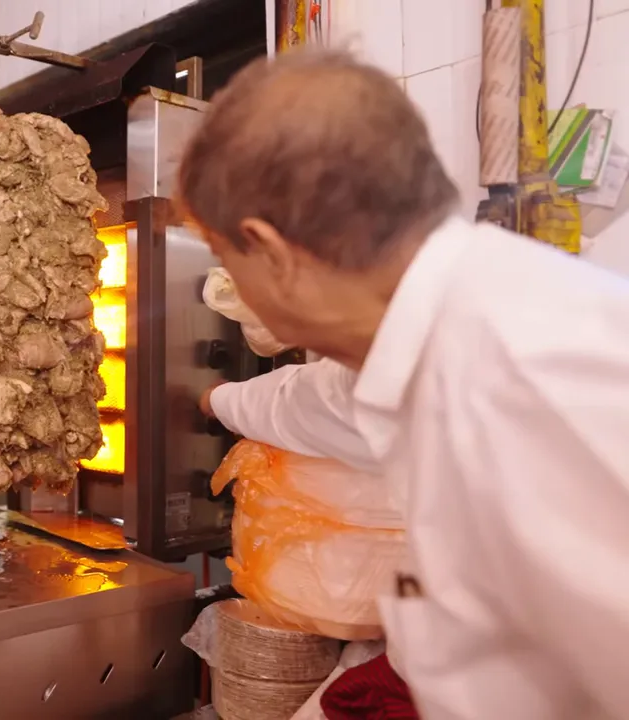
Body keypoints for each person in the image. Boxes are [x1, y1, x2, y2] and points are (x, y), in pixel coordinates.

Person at [180, 49, 629, 719]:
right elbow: (317, 402)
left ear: (271, 250)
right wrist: (212, 400)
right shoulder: (429, 340)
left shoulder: (532, 379)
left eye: (229, 263)